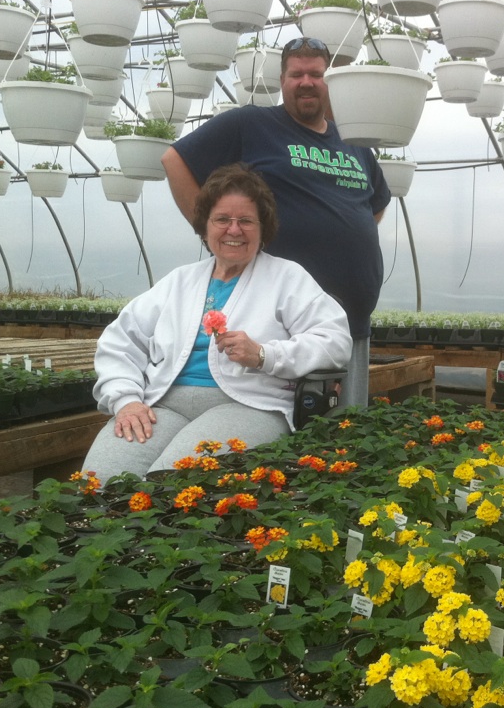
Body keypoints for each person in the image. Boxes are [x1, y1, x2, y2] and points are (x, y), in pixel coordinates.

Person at [82, 165, 352, 484]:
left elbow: (335, 340)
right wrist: (126, 400)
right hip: (163, 405)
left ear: (263, 228)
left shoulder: (286, 278)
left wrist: (264, 355)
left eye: (246, 221)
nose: (233, 230)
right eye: (222, 219)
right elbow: (120, 342)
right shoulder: (180, 281)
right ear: (205, 226)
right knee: (99, 482)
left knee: (171, 483)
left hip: (249, 405)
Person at [161, 36, 391, 409]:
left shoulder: (354, 141)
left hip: (350, 322)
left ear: (328, 81)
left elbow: (376, 204)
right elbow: (175, 160)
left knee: (347, 437)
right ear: (282, 81)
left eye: (316, 74)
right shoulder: (253, 123)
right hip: (279, 325)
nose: (306, 82)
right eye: (296, 74)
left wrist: (348, 233)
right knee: (279, 436)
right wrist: (211, 231)